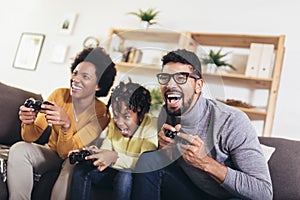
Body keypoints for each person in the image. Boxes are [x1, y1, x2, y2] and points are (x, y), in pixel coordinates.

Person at [131, 49, 273, 200]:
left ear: (198, 85)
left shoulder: (231, 121)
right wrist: (165, 150)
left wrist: (205, 162)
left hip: (227, 197)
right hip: (192, 190)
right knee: (149, 159)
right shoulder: (167, 114)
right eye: (165, 78)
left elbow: (264, 192)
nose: (170, 85)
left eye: (180, 78)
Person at [7, 47, 117, 200]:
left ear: (98, 85)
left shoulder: (101, 114)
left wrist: (66, 126)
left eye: (85, 76)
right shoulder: (59, 95)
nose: (75, 79)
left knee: (72, 164)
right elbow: (29, 137)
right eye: (75, 73)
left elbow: (67, 152)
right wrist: (28, 122)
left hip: (73, 159)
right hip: (51, 153)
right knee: (20, 149)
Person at [69, 79, 158, 200]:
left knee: (125, 175)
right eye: (116, 116)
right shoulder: (113, 125)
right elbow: (106, 150)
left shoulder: (151, 126)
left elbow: (144, 164)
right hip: (112, 172)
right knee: (81, 169)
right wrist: (91, 154)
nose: (119, 122)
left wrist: (115, 157)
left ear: (141, 114)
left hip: (132, 176)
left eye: (126, 116)